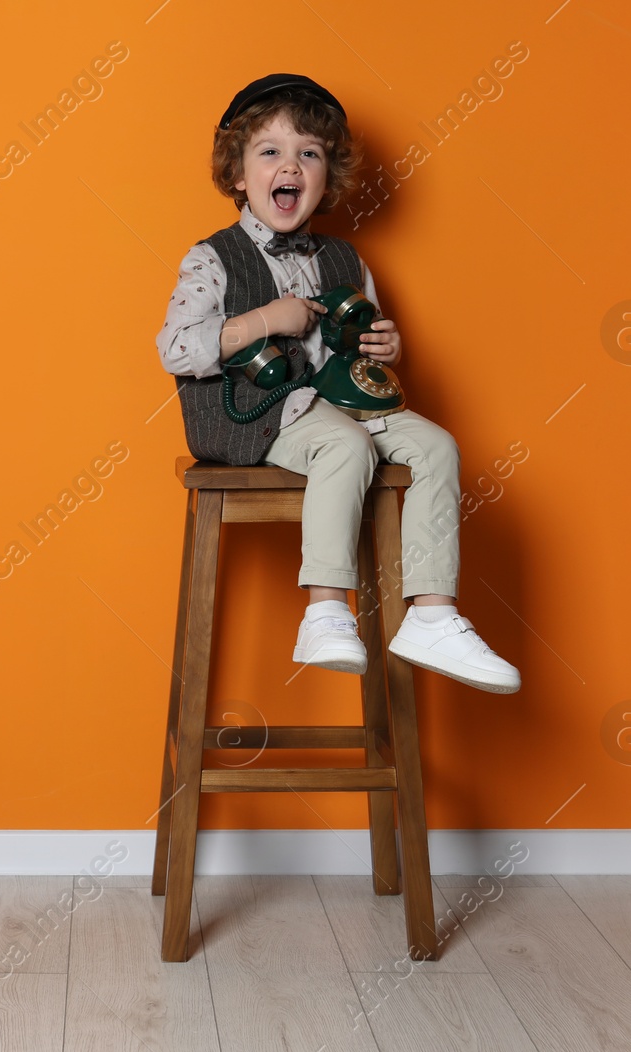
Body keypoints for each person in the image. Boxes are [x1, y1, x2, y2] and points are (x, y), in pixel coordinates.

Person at [155, 73, 520, 694]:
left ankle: (431, 614)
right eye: (269, 151)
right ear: (239, 175)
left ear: (326, 178)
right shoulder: (213, 258)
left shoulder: (346, 261)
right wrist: (269, 319)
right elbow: (176, 347)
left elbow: (357, 348)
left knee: (437, 446)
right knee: (345, 447)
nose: (289, 165)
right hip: (256, 414)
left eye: (309, 153)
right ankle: (325, 609)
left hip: (337, 402)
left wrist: (386, 345)